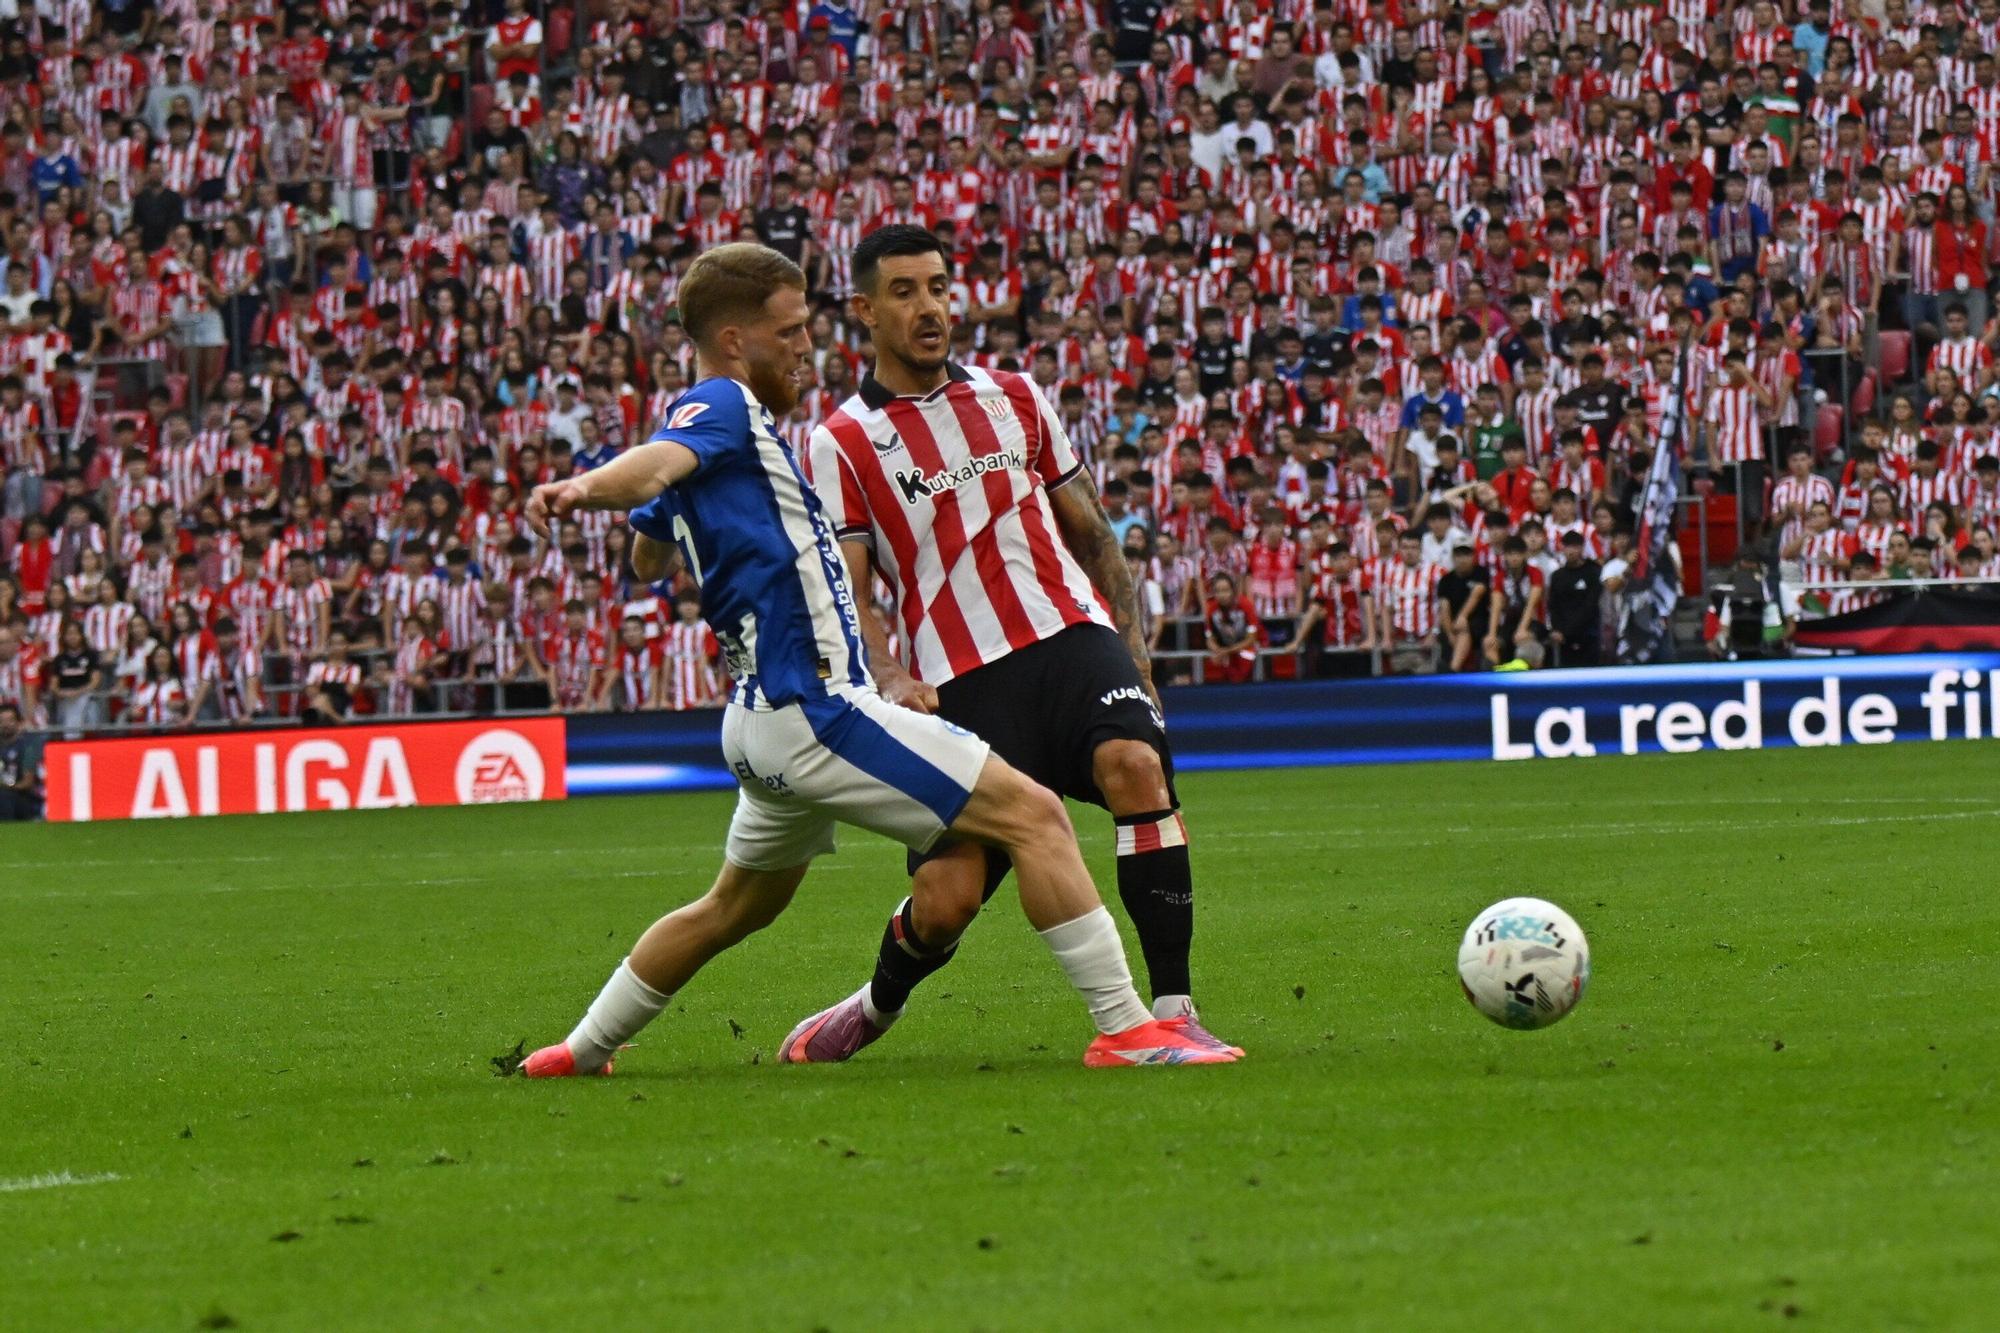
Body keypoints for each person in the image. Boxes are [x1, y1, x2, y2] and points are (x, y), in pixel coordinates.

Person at [513, 244, 1233, 1076]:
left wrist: (667, 497)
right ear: (736, 341)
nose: (806, 346)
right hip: (819, 707)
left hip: (755, 722)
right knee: (1035, 816)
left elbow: (651, 545)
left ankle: (578, 1049)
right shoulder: (726, 405)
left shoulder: (725, 440)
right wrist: (584, 488)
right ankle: (1126, 1028)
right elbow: (658, 465)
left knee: (731, 905)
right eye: (791, 331)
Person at [785, 226, 1240, 1060]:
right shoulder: (839, 439)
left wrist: (1137, 656)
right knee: (947, 899)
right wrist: (889, 672)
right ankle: (875, 1005)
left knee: (1136, 765)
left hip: (1072, 636)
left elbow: (1092, 531)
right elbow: (849, 588)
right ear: (864, 310)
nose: (930, 307)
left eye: (939, 286)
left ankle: (1173, 1009)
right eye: (904, 291)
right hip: (959, 679)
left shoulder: (1016, 395)